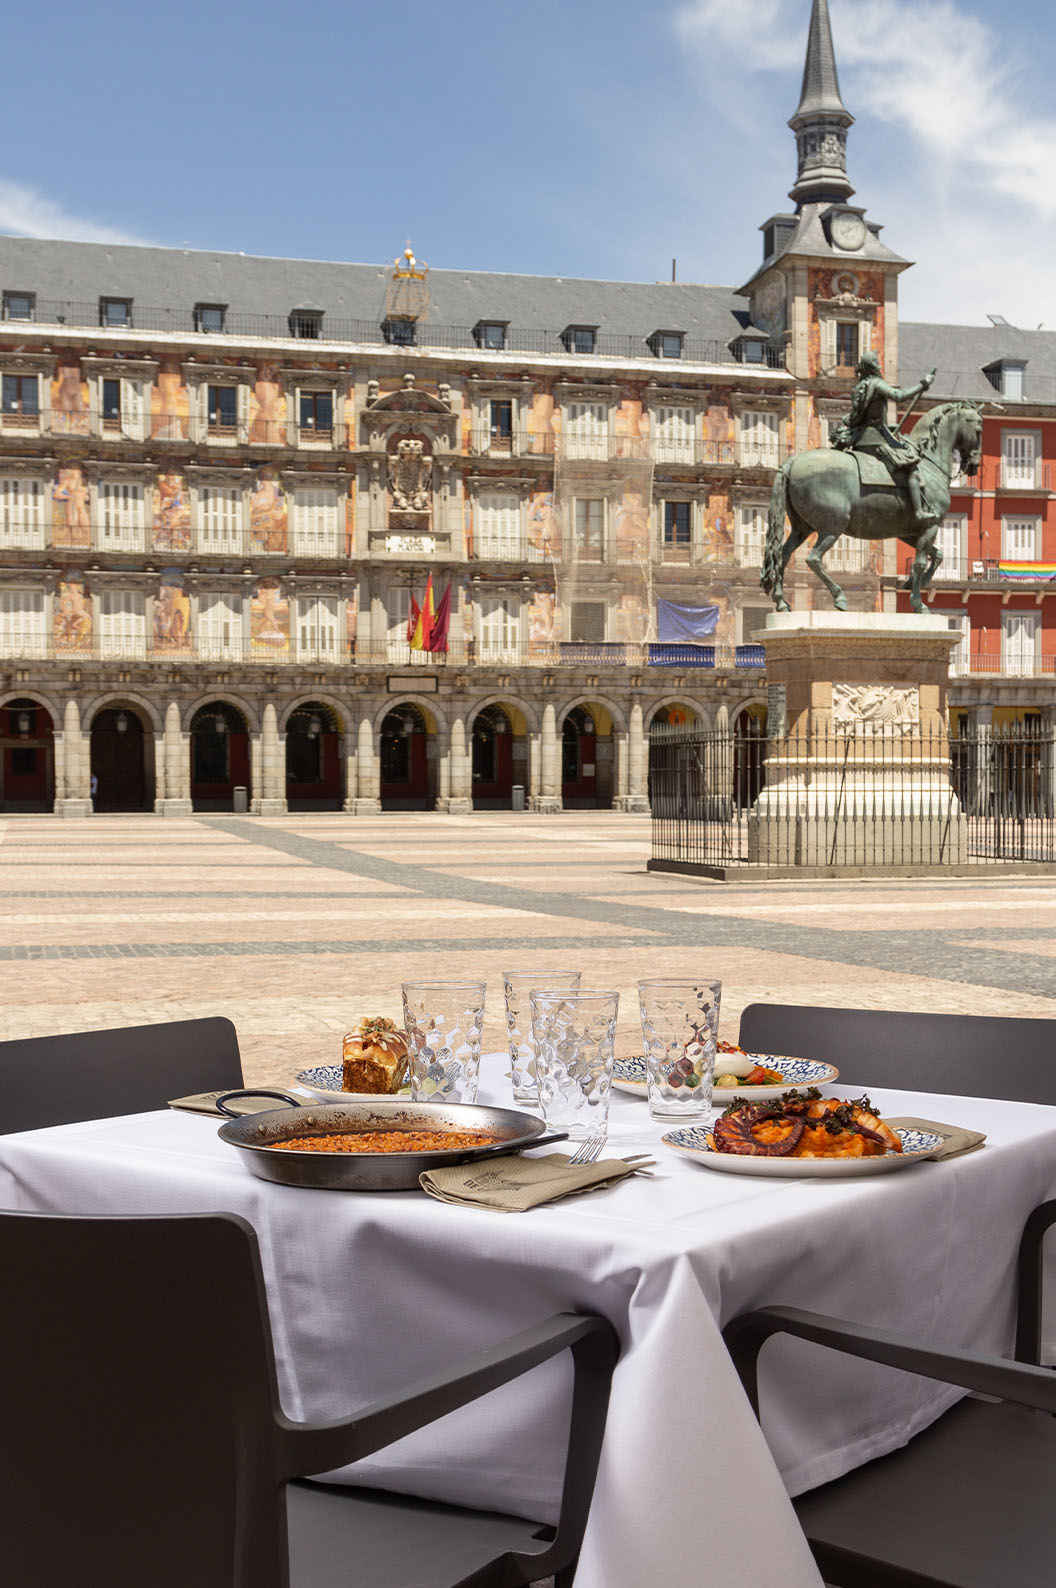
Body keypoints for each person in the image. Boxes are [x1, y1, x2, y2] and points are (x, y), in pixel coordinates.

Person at [831, 352, 936, 526]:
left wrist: (888, 428)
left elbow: (861, 417)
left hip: (860, 441)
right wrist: (924, 384)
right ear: (874, 368)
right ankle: (918, 511)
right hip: (876, 440)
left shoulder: (858, 388)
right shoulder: (877, 384)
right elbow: (899, 396)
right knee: (911, 467)